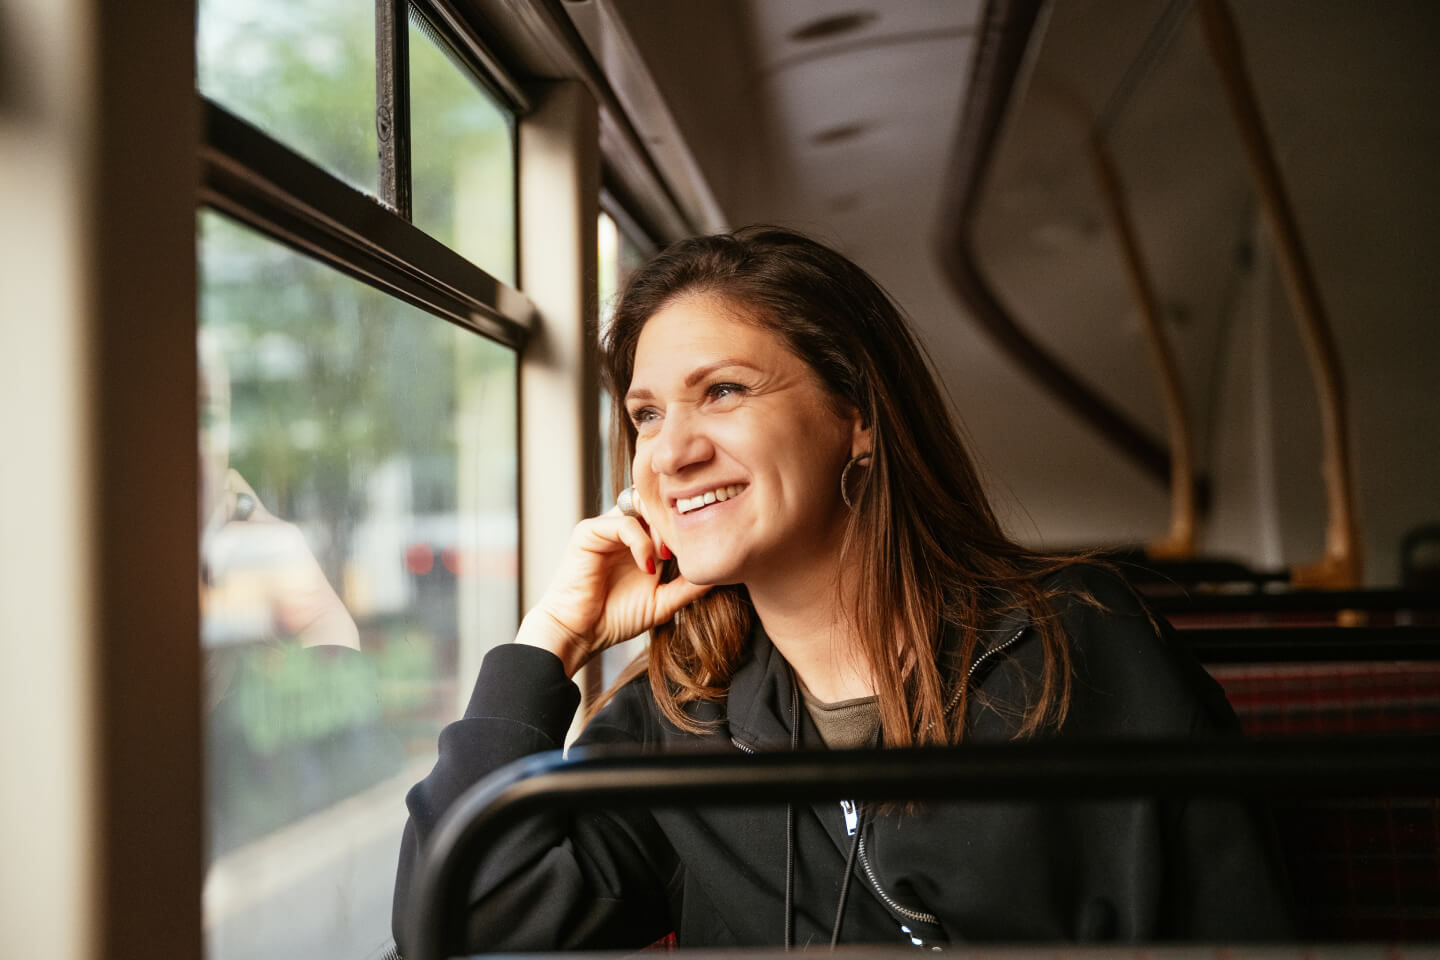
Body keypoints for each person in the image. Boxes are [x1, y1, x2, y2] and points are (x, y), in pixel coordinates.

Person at [391, 227, 1293, 952]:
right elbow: (463, 922)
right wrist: (550, 637)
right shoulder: (684, 716)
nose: (670, 452)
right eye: (647, 414)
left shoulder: (1075, 639)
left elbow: (1235, 926)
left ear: (858, 418)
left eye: (725, 391)